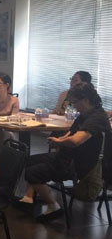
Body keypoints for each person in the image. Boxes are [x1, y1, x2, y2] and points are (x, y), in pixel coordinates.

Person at [18, 82, 111, 221]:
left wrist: (58, 142)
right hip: (69, 157)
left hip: (79, 165)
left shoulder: (97, 118)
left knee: (32, 173)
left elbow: (76, 141)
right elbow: (71, 134)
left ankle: (53, 206)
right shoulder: (85, 114)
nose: (74, 106)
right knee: (29, 161)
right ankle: (29, 198)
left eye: (75, 102)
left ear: (86, 100)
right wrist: (60, 139)